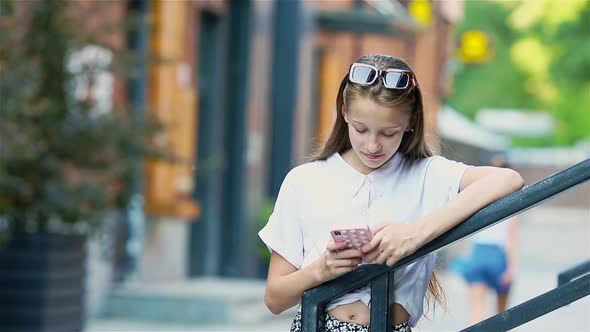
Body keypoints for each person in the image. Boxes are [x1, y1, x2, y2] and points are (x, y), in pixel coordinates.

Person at [258, 54, 524, 332]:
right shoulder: (305, 180)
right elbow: (274, 299)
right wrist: (322, 269)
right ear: (345, 112)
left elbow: (508, 180)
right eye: (361, 129)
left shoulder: (428, 175)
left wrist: (415, 233)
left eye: (388, 133)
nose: (372, 145)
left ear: (410, 122)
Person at [455, 158, 520, 325]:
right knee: (502, 315)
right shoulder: (511, 205)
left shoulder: (478, 202)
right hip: (498, 257)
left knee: (477, 310)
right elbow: (511, 240)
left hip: (478, 254)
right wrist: (512, 268)